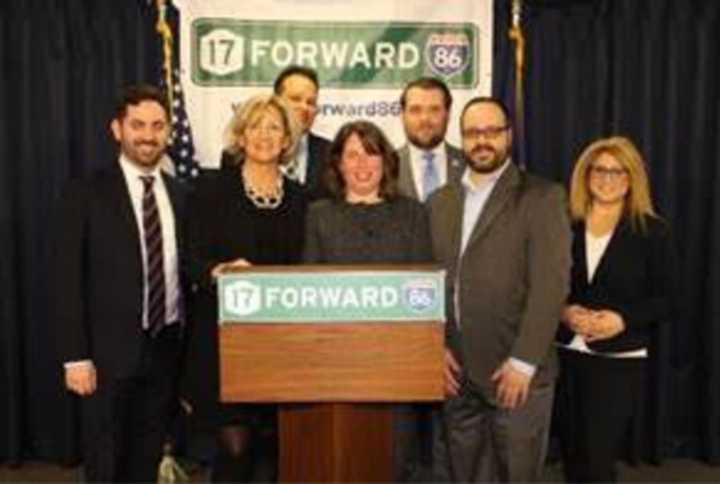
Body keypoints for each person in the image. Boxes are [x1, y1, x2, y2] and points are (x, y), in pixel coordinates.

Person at [427, 96, 571, 482]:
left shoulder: (542, 197)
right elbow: (426, 284)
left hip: (515, 374)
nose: (482, 140)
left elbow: (550, 285)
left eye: (492, 131)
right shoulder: (439, 203)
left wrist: (524, 361)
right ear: (462, 138)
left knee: (515, 475)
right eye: (473, 132)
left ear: (509, 136)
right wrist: (433, 347)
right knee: (464, 475)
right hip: (455, 374)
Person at [53, 84, 186, 482]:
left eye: (158, 126)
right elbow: (65, 278)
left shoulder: (181, 195)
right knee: (107, 461)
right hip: (106, 355)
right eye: (138, 125)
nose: (148, 135)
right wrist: (75, 356)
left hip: (165, 347)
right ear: (117, 129)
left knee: (146, 458)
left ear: (168, 132)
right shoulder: (86, 192)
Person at [182, 93, 305, 482]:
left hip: (282, 347)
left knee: (275, 453)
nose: (264, 135)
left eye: (274, 127)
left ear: (287, 140)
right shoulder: (211, 189)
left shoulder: (303, 199)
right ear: (241, 134)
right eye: (255, 125)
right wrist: (219, 271)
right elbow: (189, 259)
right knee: (235, 449)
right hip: (222, 342)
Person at [303, 120, 432, 481]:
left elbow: (424, 289)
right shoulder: (318, 215)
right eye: (352, 154)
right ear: (339, 164)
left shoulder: (412, 213)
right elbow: (307, 289)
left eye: (371, 153)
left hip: (396, 365)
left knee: (394, 463)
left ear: (386, 161)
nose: (362, 164)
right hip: (335, 365)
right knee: (341, 460)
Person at [556, 136, 676, 483]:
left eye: (617, 171)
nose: (607, 178)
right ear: (586, 174)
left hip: (617, 359)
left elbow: (668, 299)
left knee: (598, 457)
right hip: (565, 352)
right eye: (599, 170)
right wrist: (564, 312)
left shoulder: (652, 231)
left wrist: (623, 319)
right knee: (571, 452)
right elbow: (544, 282)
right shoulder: (565, 223)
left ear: (631, 179)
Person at [220, 65, 331, 200]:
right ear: (277, 101)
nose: (304, 107)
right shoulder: (236, 155)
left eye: (311, 102)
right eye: (295, 99)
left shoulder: (332, 154)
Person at [397, 77, 465, 202]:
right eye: (415, 110)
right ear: (402, 115)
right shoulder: (385, 166)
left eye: (434, 110)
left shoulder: (469, 165)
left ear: (448, 114)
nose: (425, 119)